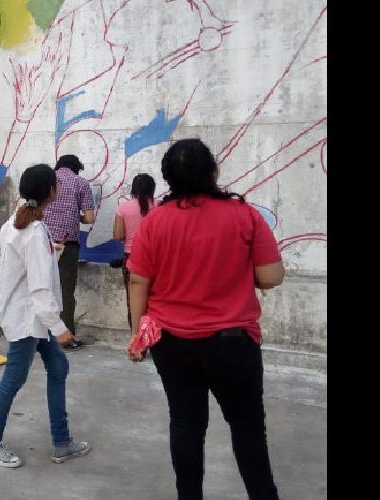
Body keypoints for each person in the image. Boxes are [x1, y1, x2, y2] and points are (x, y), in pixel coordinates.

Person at [125, 139, 284, 500]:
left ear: (168, 178)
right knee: (247, 430)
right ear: (213, 173)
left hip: (172, 343)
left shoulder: (155, 222)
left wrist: (137, 335)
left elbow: (138, 281)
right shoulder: (244, 215)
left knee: (185, 425)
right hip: (233, 344)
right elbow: (272, 276)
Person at [0, 164, 90, 468]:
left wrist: (49, 252)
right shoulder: (33, 232)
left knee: (58, 367)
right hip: (30, 319)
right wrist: (60, 328)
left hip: (29, 317)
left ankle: (62, 442)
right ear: (52, 192)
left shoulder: (15, 225)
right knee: (14, 379)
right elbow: (40, 289)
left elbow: (25, 269)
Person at [41, 154, 95, 351]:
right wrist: (76, 215)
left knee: (41, 288)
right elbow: (89, 219)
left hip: (41, 241)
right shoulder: (80, 183)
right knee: (65, 292)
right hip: (67, 245)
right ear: (76, 169)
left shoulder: (47, 179)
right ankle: (66, 338)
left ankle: (40, 336)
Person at [113, 173, 156, 329]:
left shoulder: (123, 208)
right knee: (155, 297)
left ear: (133, 189)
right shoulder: (159, 206)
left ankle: (137, 336)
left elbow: (117, 236)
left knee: (134, 299)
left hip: (131, 257)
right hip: (155, 257)